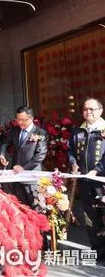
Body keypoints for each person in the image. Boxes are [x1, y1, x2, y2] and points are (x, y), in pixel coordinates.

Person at [68, 97, 105, 259]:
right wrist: (73, 162)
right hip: (85, 181)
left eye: (92, 109)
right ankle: (98, 251)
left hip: (102, 182)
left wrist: (97, 170)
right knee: (90, 217)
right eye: (85, 109)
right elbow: (70, 150)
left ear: (100, 110)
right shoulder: (78, 131)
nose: (88, 112)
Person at [0, 106, 47, 207]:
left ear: (31, 119)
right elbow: (5, 143)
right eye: (18, 119)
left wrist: (24, 168)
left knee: (35, 208)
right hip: (16, 176)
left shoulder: (40, 133)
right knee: (20, 207)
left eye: (23, 120)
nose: (19, 122)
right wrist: (2, 154)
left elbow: (40, 155)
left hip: (31, 177)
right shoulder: (14, 131)